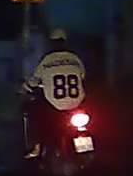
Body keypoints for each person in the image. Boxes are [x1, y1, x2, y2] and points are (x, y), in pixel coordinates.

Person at [20, 28, 86, 158]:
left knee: (32, 114)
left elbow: (34, 80)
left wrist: (24, 88)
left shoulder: (47, 60)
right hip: (76, 104)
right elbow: (82, 77)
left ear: (51, 43)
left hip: (53, 104)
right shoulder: (75, 59)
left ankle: (36, 147)